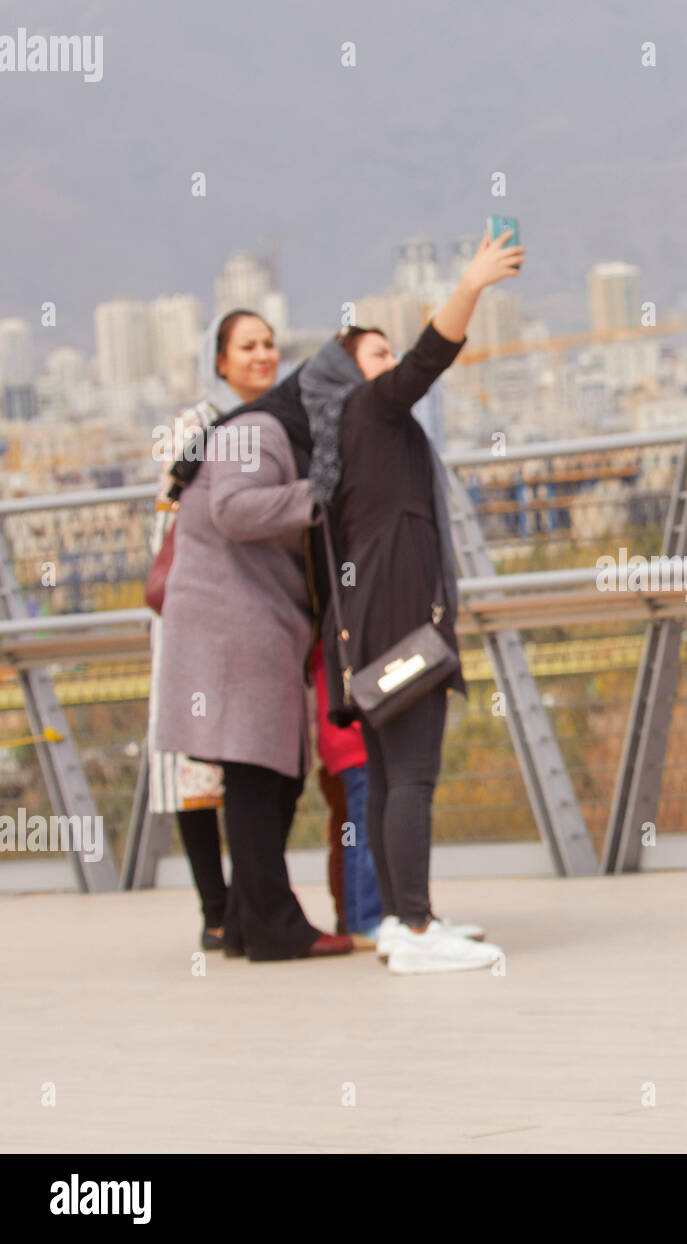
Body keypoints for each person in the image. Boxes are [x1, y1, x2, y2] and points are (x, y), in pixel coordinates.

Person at [301, 228, 522, 974]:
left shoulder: (352, 438)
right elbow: (434, 354)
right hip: (399, 619)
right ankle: (418, 929)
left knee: (393, 774)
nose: (390, 365)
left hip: (367, 625)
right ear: (348, 374)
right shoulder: (370, 410)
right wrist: (473, 283)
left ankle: (401, 920)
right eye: (375, 355)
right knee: (413, 775)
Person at [154, 329, 352, 962]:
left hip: (247, 621)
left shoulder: (262, 425)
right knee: (259, 774)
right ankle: (272, 926)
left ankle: (245, 920)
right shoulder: (256, 430)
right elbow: (236, 511)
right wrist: (319, 497)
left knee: (265, 774)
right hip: (237, 623)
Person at [146, 310, 278, 951]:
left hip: (262, 615)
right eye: (247, 346)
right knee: (196, 767)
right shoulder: (193, 428)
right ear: (219, 360)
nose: (262, 354)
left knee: (261, 758)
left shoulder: (282, 420)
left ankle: (254, 903)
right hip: (199, 613)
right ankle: (217, 910)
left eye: (269, 344)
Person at [309, 642, 383, 946]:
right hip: (352, 740)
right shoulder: (338, 634)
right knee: (358, 833)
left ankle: (353, 916)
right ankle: (362, 919)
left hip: (337, 743)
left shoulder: (322, 634)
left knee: (348, 832)